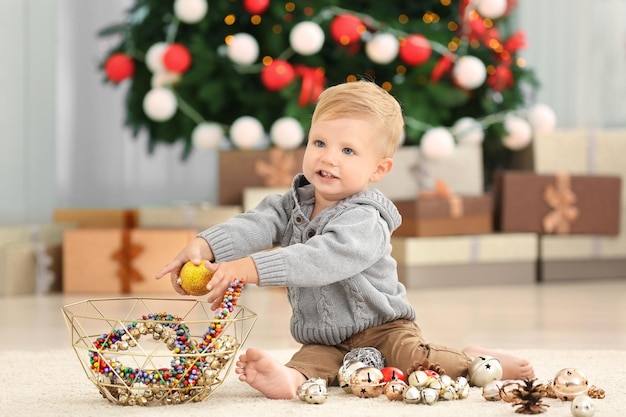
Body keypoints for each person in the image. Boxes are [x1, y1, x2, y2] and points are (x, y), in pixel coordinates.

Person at [155, 80, 534, 400]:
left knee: (418, 362)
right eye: (319, 143)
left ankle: (478, 361)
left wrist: (246, 269)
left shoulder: (366, 218)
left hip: (384, 328)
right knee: (312, 363)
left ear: (379, 169)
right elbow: (255, 224)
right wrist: (206, 247)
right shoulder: (292, 203)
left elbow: (320, 259)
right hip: (325, 337)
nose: (329, 158)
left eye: (348, 150)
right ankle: (290, 380)